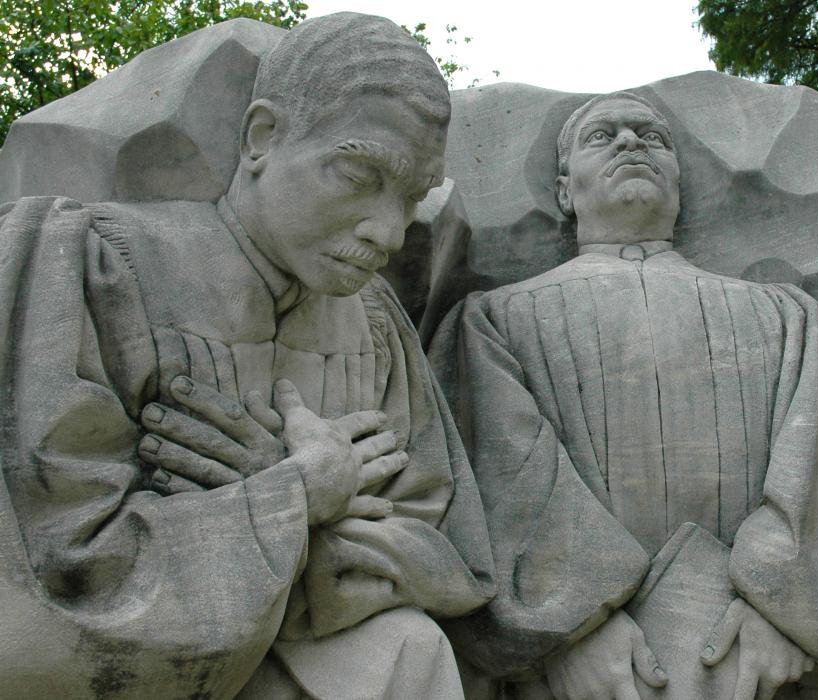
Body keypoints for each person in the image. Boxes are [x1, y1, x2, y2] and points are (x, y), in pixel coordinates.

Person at [0, 13, 492, 699]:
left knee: (407, 647)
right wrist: (297, 497)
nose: (387, 231)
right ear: (263, 136)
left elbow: (441, 551)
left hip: (334, 664)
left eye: (411, 199)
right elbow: (57, 569)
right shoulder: (91, 265)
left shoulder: (377, 325)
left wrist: (279, 506)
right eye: (359, 172)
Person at [429, 91, 818, 699]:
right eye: (602, 136)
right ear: (563, 191)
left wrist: (782, 610)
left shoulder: (789, 316)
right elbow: (500, 480)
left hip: (758, 661)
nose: (632, 143)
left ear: (683, 184)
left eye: (652, 137)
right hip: (580, 671)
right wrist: (569, 626)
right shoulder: (492, 321)